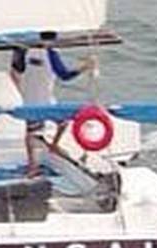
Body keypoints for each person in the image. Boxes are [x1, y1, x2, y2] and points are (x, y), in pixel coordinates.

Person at [11, 40, 95, 176]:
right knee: (62, 123)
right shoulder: (51, 54)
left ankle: (32, 165)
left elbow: (14, 73)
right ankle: (53, 146)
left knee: (31, 133)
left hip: (30, 100)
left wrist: (21, 91)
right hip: (46, 102)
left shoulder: (22, 51)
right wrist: (85, 67)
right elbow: (65, 75)